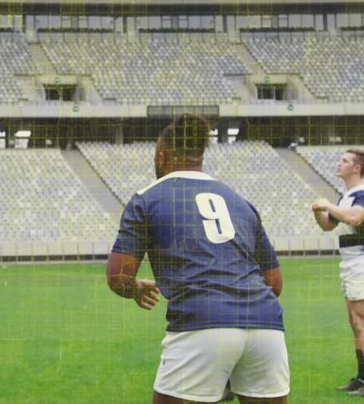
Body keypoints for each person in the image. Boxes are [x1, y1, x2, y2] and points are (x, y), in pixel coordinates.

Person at [106, 114, 289, 404]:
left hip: (202, 323)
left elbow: (118, 277)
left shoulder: (146, 199)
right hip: (265, 326)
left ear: (162, 156)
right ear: (199, 157)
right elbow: (274, 283)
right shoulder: (240, 201)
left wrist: (135, 289)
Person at [312, 148, 364, 398]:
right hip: (352, 263)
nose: (338, 163)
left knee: (363, 323)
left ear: (357, 168)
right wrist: (319, 212)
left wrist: (327, 204)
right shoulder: (346, 196)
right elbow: (328, 226)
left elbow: (355, 218)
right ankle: (362, 377)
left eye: (344, 160)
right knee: (355, 322)